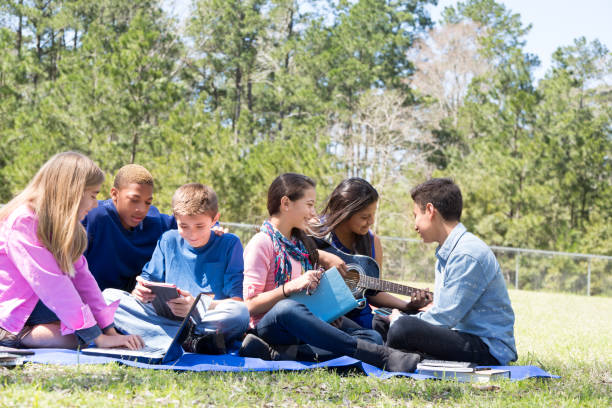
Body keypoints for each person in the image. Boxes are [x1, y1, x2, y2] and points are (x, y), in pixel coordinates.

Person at [239, 173, 421, 372]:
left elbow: (311, 296)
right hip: (273, 325)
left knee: (373, 337)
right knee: (287, 308)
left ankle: (281, 353)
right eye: (309, 204)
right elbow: (249, 305)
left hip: (305, 322)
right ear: (286, 203)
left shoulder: (301, 245)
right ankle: (381, 356)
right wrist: (290, 287)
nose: (313, 212)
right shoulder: (261, 243)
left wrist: (326, 313)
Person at [0, 152, 143, 350]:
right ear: (72, 192)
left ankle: (40, 333)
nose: (95, 205)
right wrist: (97, 337)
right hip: (16, 309)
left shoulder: (59, 224)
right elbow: (52, 283)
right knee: (83, 337)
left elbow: (82, 278)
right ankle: (17, 335)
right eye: (93, 195)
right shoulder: (25, 221)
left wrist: (109, 329)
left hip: (42, 305)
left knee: (100, 326)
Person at [103, 183, 249, 354]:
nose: (192, 234)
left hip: (204, 318)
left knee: (240, 313)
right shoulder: (168, 240)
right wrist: (140, 292)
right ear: (175, 220)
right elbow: (147, 281)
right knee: (108, 297)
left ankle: (163, 339)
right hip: (165, 317)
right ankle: (189, 341)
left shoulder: (229, 244)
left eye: (199, 226)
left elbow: (236, 302)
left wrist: (195, 305)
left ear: (215, 219)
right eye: (184, 226)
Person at [386, 178, 517, 365]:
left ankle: (396, 349)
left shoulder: (467, 253)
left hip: (487, 348)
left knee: (403, 328)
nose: (415, 225)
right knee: (386, 320)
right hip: (462, 335)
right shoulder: (449, 251)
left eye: (416, 215)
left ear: (430, 211)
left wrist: (399, 321)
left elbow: (444, 317)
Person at [315, 178, 431, 337]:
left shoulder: (372, 241)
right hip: (323, 315)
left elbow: (374, 292)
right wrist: (323, 256)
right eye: (364, 216)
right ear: (345, 212)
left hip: (361, 318)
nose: (371, 221)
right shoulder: (316, 233)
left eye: (373, 214)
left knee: (414, 324)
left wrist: (408, 305)